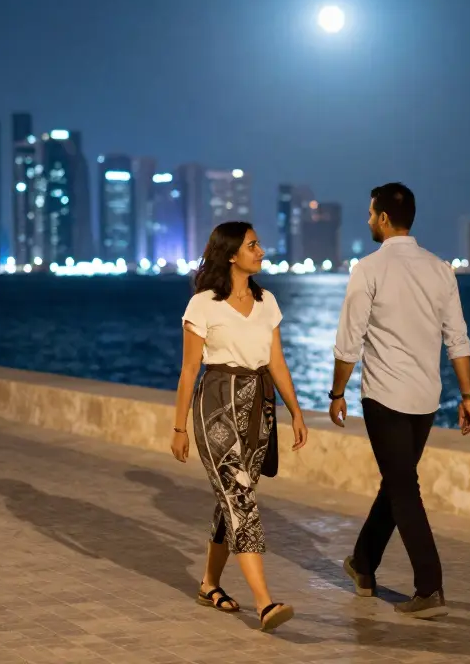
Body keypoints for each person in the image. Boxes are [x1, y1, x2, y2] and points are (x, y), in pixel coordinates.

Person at [328, 182, 470, 619]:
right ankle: (363, 564)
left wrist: (337, 392)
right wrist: (467, 395)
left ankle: (429, 587)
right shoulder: (440, 269)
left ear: (385, 219)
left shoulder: (369, 269)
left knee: (402, 486)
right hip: (426, 398)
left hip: (385, 397)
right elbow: (458, 339)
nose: (368, 219)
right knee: (397, 481)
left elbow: (348, 341)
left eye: (371, 214)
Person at [171, 221, 309, 632]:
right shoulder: (203, 305)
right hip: (215, 405)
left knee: (231, 500)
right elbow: (189, 369)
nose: (261, 250)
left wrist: (296, 412)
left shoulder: (267, 301)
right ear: (232, 254)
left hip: (257, 408)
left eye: (259, 244)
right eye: (253, 245)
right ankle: (265, 603)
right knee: (241, 498)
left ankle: (209, 583)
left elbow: (277, 362)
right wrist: (179, 428)